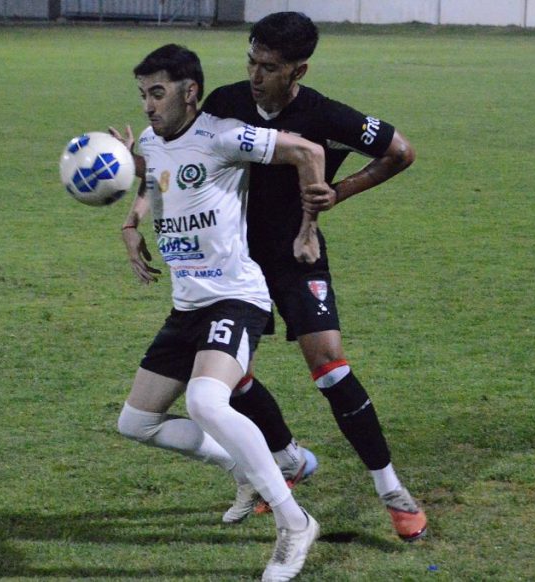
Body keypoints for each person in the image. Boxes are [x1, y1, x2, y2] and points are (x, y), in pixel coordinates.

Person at [199, 11, 427, 542]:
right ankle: (288, 459)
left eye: (269, 67)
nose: (255, 75)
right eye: (251, 61)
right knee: (228, 376)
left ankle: (392, 490)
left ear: (297, 71)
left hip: (297, 256)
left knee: (330, 367)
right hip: (234, 262)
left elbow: (401, 152)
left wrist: (339, 192)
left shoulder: (324, 115)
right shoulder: (224, 104)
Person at [113, 44, 330, 581]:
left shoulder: (223, 136)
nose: (148, 105)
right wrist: (133, 219)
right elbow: (155, 175)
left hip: (235, 296)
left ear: (190, 92)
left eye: (157, 93)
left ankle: (295, 521)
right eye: (142, 95)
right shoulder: (152, 142)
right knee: (136, 422)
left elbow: (306, 151)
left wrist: (308, 229)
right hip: (186, 305)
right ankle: (245, 467)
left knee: (206, 401)